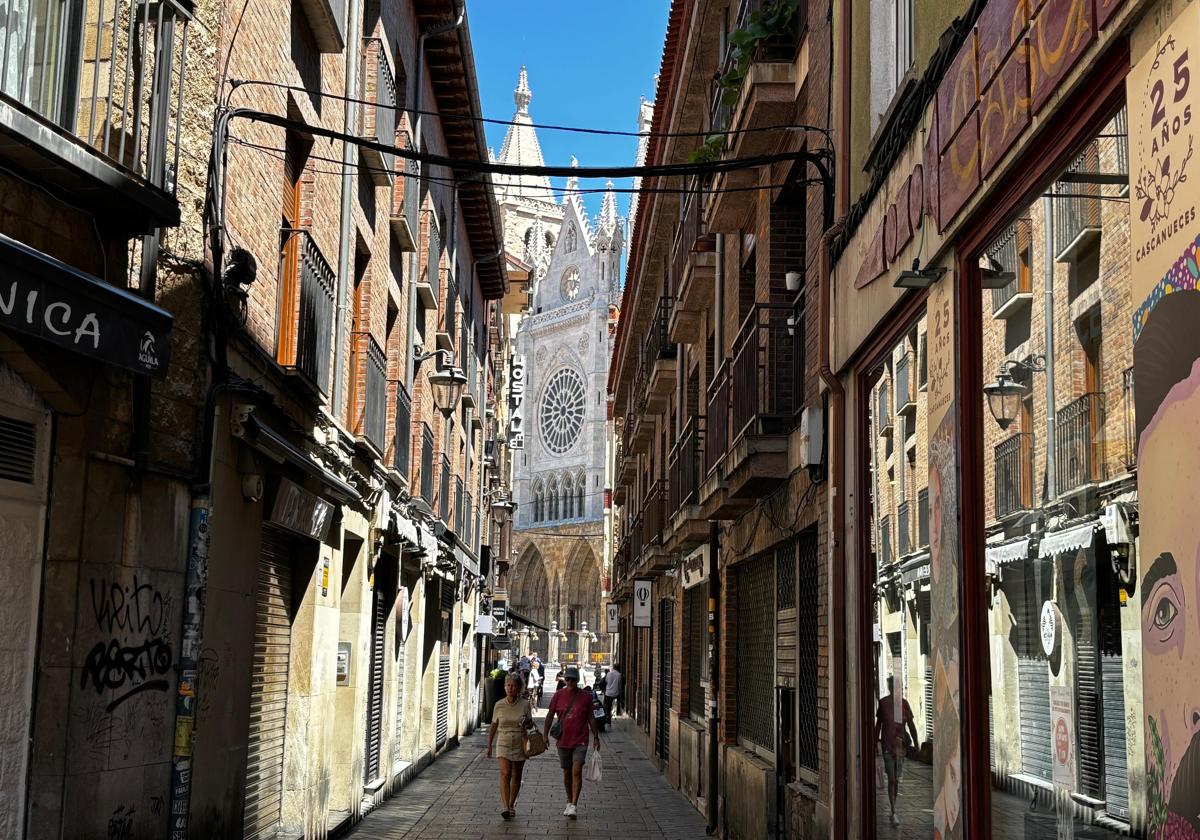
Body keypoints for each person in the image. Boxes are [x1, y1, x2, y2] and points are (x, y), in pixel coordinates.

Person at [543, 665, 601, 819]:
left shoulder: (586, 697)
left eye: (573, 680)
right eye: (567, 679)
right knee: (567, 772)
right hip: (563, 740)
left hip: (580, 740)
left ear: (577, 680)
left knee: (576, 771)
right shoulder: (558, 695)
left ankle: (574, 804)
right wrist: (544, 735)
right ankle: (569, 801)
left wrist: (595, 737)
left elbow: (591, 718)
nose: (570, 682)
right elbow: (549, 716)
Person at [487, 672, 534, 820]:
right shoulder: (499, 705)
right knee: (505, 773)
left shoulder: (525, 704)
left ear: (519, 688)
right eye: (508, 685)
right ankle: (505, 806)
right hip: (503, 741)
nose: (510, 688)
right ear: (505, 687)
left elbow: (531, 723)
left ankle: (512, 804)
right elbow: (494, 726)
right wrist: (489, 746)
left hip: (520, 741)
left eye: (513, 686)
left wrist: (527, 722)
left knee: (516, 775)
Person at [875, 675, 918, 827]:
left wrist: (916, 743)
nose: (895, 690)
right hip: (887, 747)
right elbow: (878, 725)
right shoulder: (883, 703)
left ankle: (893, 807)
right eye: (893, 687)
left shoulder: (904, 704)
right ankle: (893, 810)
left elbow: (911, 725)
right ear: (890, 688)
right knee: (892, 779)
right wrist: (875, 744)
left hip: (900, 749)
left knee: (896, 780)